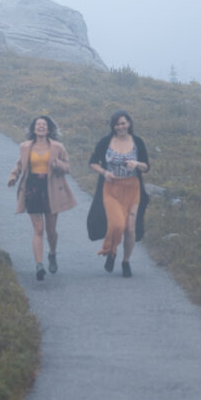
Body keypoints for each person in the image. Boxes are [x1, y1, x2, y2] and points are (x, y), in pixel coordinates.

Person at [8, 115, 77, 280]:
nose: (40, 127)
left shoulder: (58, 147)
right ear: (33, 129)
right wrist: (13, 177)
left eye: (44, 125)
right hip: (32, 189)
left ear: (48, 129)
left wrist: (58, 165)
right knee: (38, 229)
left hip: (51, 189)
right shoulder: (25, 147)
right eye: (38, 124)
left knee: (50, 230)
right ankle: (39, 265)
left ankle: (52, 253)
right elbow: (20, 164)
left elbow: (67, 167)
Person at [87, 110, 150, 277]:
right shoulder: (106, 142)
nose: (121, 127)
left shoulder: (138, 142)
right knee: (117, 225)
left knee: (129, 229)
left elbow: (146, 167)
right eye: (117, 124)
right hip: (111, 189)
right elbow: (92, 162)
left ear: (129, 123)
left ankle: (126, 262)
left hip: (132, 189)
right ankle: (110, 250)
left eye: (124, 123)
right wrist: (104, 173)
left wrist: (136, 164)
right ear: (113, 126)